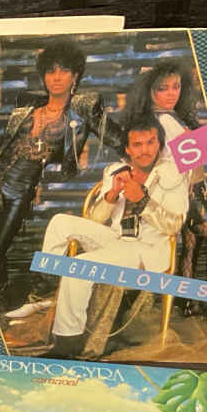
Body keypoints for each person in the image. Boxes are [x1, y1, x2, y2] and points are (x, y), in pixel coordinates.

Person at [34, 115, 188, 357]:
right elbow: (94, 219)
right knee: (59, 221)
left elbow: (174, 225)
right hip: (116, 238)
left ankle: (67, 343)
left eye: (151, 142)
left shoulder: (173, 174)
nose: (145, 150)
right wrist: (112, 194)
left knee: (79, 266)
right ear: (127, 148)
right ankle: (50, 283)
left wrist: (142, 200)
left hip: (146, 249)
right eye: (137, 145)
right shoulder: (115, 170)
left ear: (159, 143)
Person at [0, 40, 98, 315]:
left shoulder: (77, 117)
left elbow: (73, 163)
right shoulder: (26, 107)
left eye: (63, 71)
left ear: (75, 76)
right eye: (50, 71)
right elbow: (1, 145)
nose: (56, 77)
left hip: (21, 189)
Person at [120, 60, 207, 320]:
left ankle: (187, 303)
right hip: (190, 192)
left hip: (181, 191)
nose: (171, 93)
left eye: (176, 86)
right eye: (163, 88)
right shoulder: (166, 121)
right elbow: (194, 152)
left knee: (190, 247)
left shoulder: (161, 118)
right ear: (150, 91)